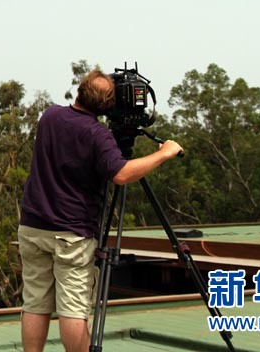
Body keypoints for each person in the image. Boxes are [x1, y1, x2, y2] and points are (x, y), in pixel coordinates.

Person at [18, 69, 183, 352]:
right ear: (109, 105)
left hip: (33, 226)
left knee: (35, 302)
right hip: (71, 233)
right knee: (73, 308)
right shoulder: (97, 135)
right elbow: (121, 173)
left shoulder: (50, 117)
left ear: (79, 92)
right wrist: (163, 153)